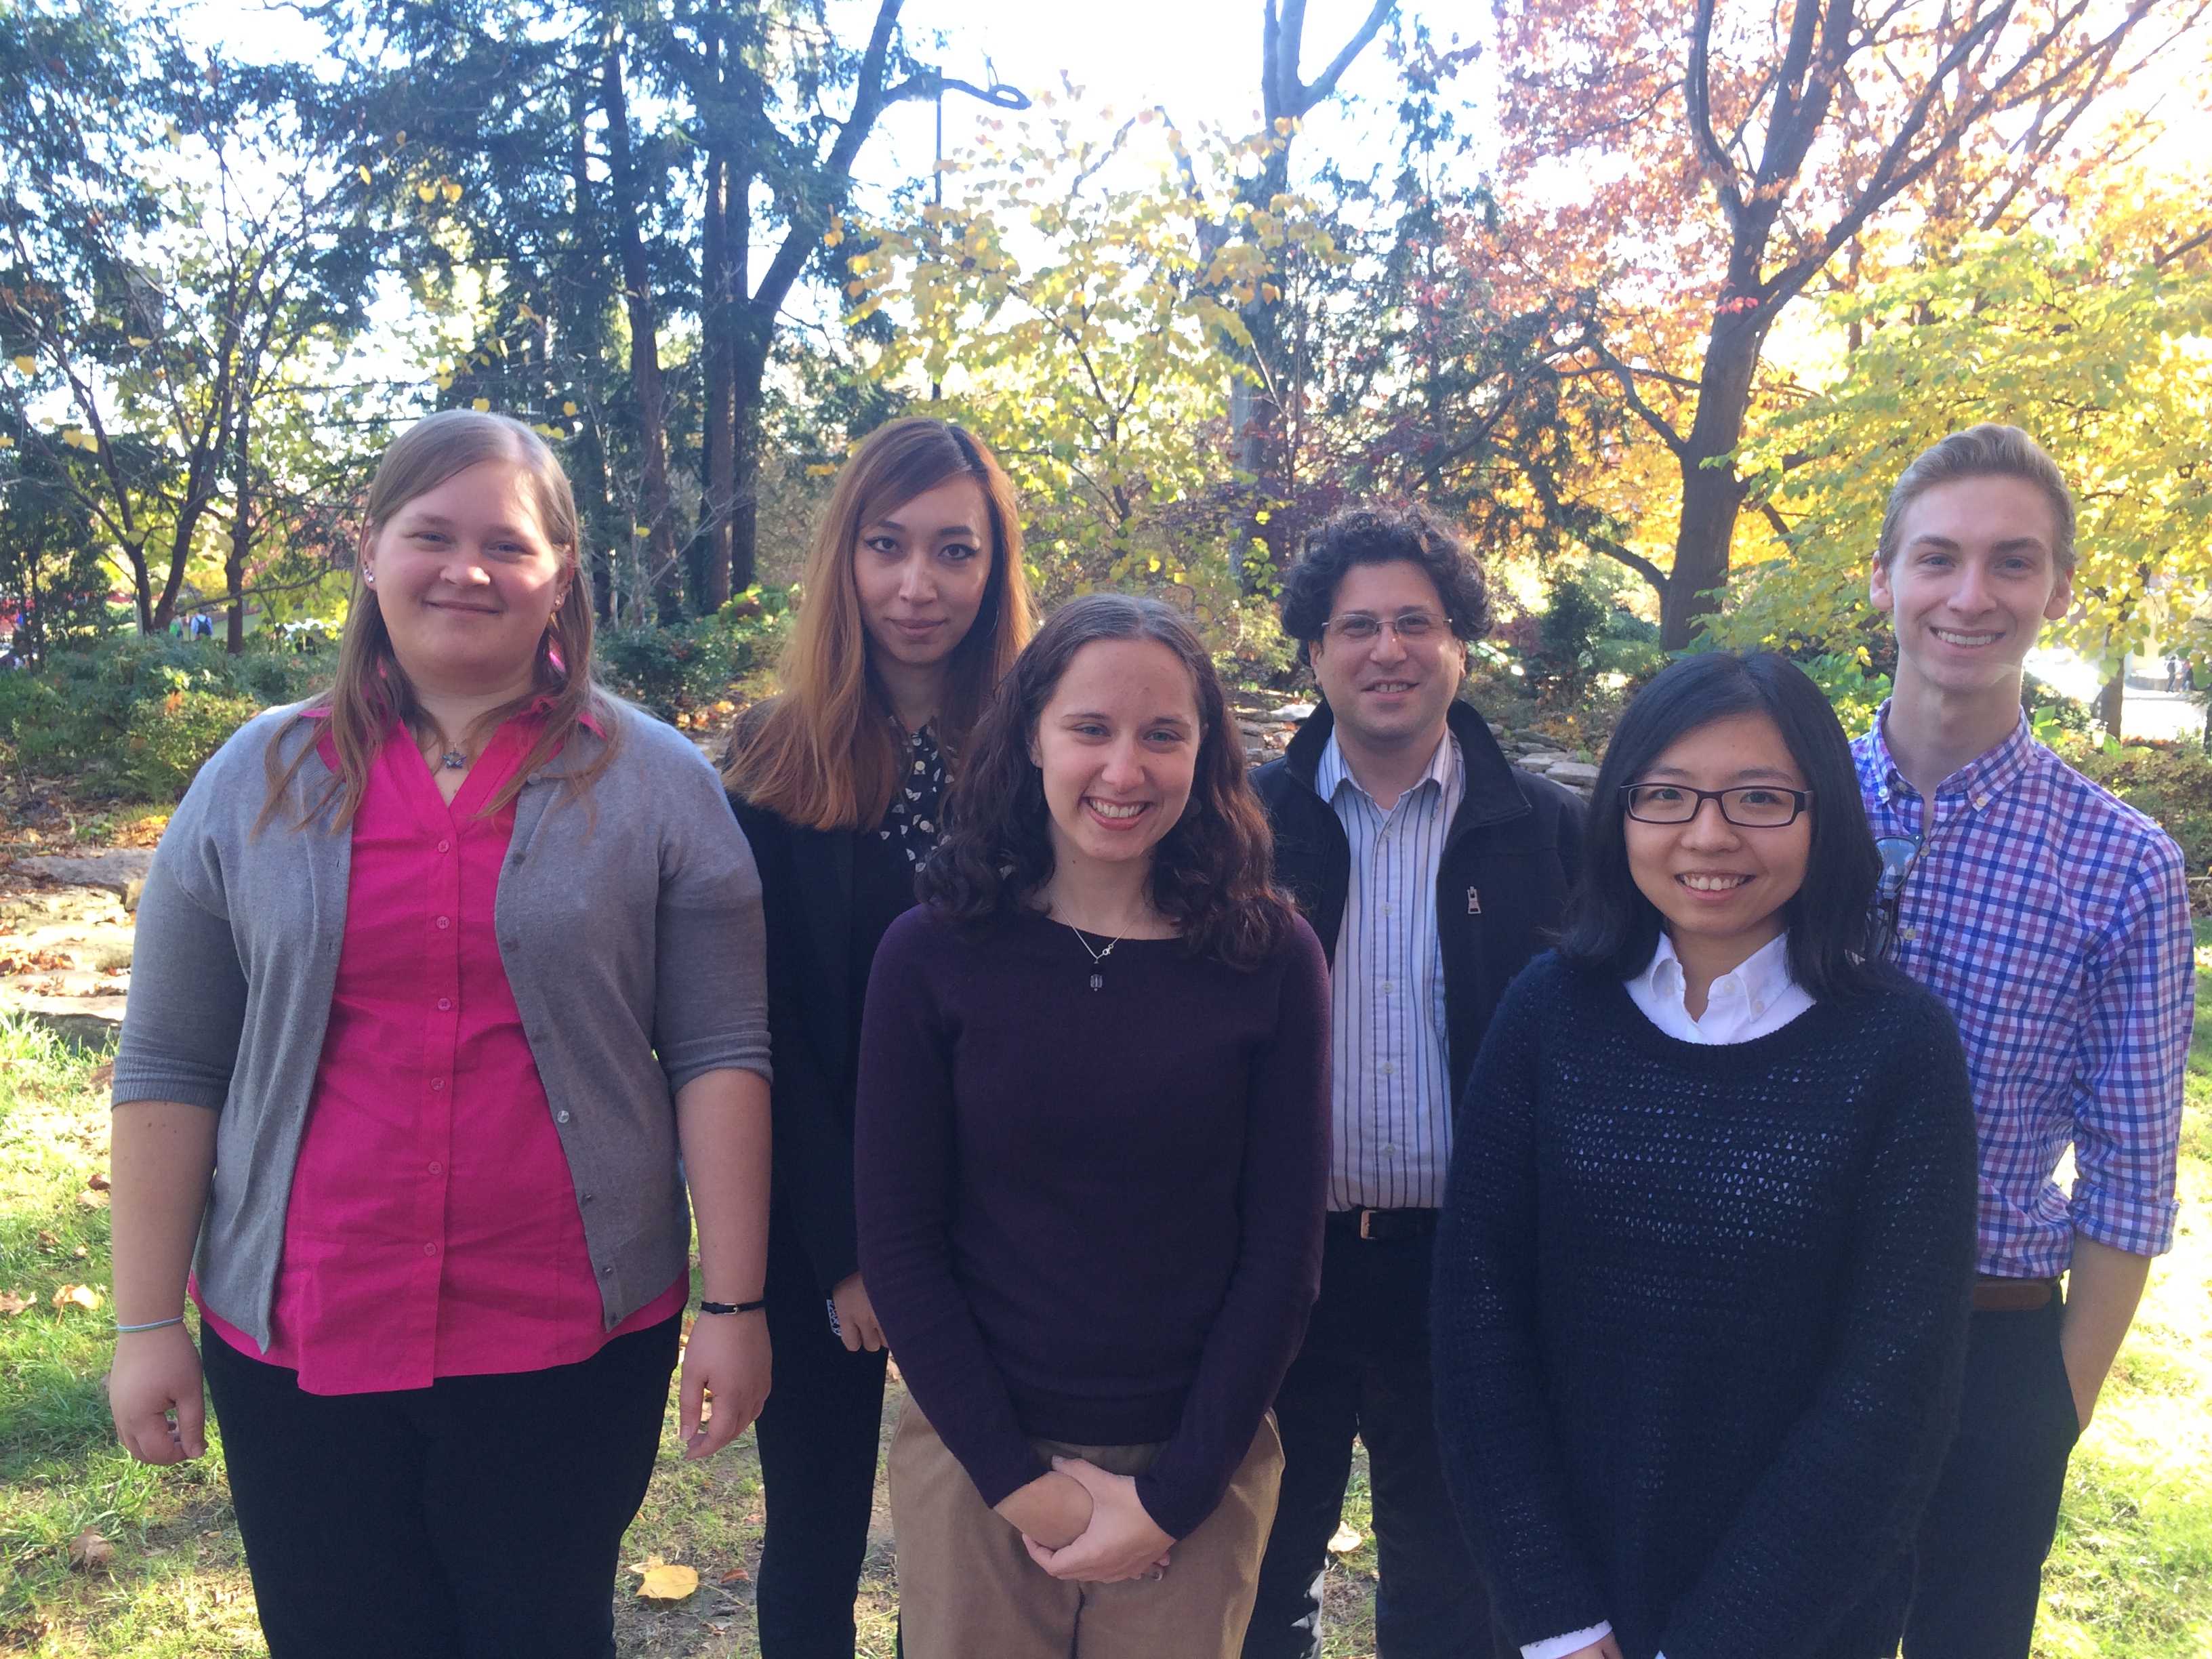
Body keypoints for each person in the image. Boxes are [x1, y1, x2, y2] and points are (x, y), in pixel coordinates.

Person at [105, 409, 775, 1659]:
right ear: (372, 551)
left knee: (538, 1630)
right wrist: (147, 1324)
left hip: (567, 1329)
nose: (467, 569)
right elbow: (170, 1064)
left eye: (506, 544)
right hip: (303, 1323)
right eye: (431, 534)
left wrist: (734, 1300)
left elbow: (722, 1052)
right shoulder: (253, 781)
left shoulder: (658, 786)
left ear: (562, 572)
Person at [1434, 649, 1980, 1659]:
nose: (1710, 834)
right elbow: (1478, 1321)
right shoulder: (1546, 1015)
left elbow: (1893, 1392)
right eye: (1668, 795)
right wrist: (1556, 1615)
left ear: (1825, 816)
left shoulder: (1899, 1049)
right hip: (1563, 1614)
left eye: (1761, 798)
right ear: (1621, 813)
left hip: (1803, 1620)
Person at [855, 594, 1332, 1659]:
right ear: (1032, 736)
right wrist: (1020, 1486)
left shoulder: (1272, 960)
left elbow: (1282, 1257)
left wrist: (1172, 1496)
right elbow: (898, 1242)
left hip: (1198, 1462)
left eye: (1163, 735)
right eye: (1091, 730)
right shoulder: (933, 954)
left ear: (1206, 751)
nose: (1125, 770)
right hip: (979, 1456)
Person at [1856, 425, 2194, 1659]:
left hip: (1987, 1334)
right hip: (1777, 1316)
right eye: (1938, 557)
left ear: (2056, 591)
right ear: (1884, 578)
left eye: (2014, 563)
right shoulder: (1782, 808)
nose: (1971, 594)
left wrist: (2060, 1400)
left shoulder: (2121, 865)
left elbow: (2135, 1166)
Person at [1244, 504, 1584, 1659]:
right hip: (1281, 1267)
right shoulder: (1239, 825)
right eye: (1356, 628)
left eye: (1414, 624)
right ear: (1315, 653)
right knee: (1255, 1579)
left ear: (1460, 648)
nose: (1386, 650)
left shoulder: (1555, 837)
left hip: (1471, 1274)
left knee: (1452, 1598)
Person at [724, 415, 1034, 1657]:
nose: (920, 585)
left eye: (955, 552)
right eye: (888, 546)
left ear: (993, 566)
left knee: (990, 1527)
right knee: (815, 1531)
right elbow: (765, 1025)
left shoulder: (1046, 750)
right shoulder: (770, 760)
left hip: (1015, 1215)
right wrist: (855, 1252)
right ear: (844, 560)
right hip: (823, 1214)